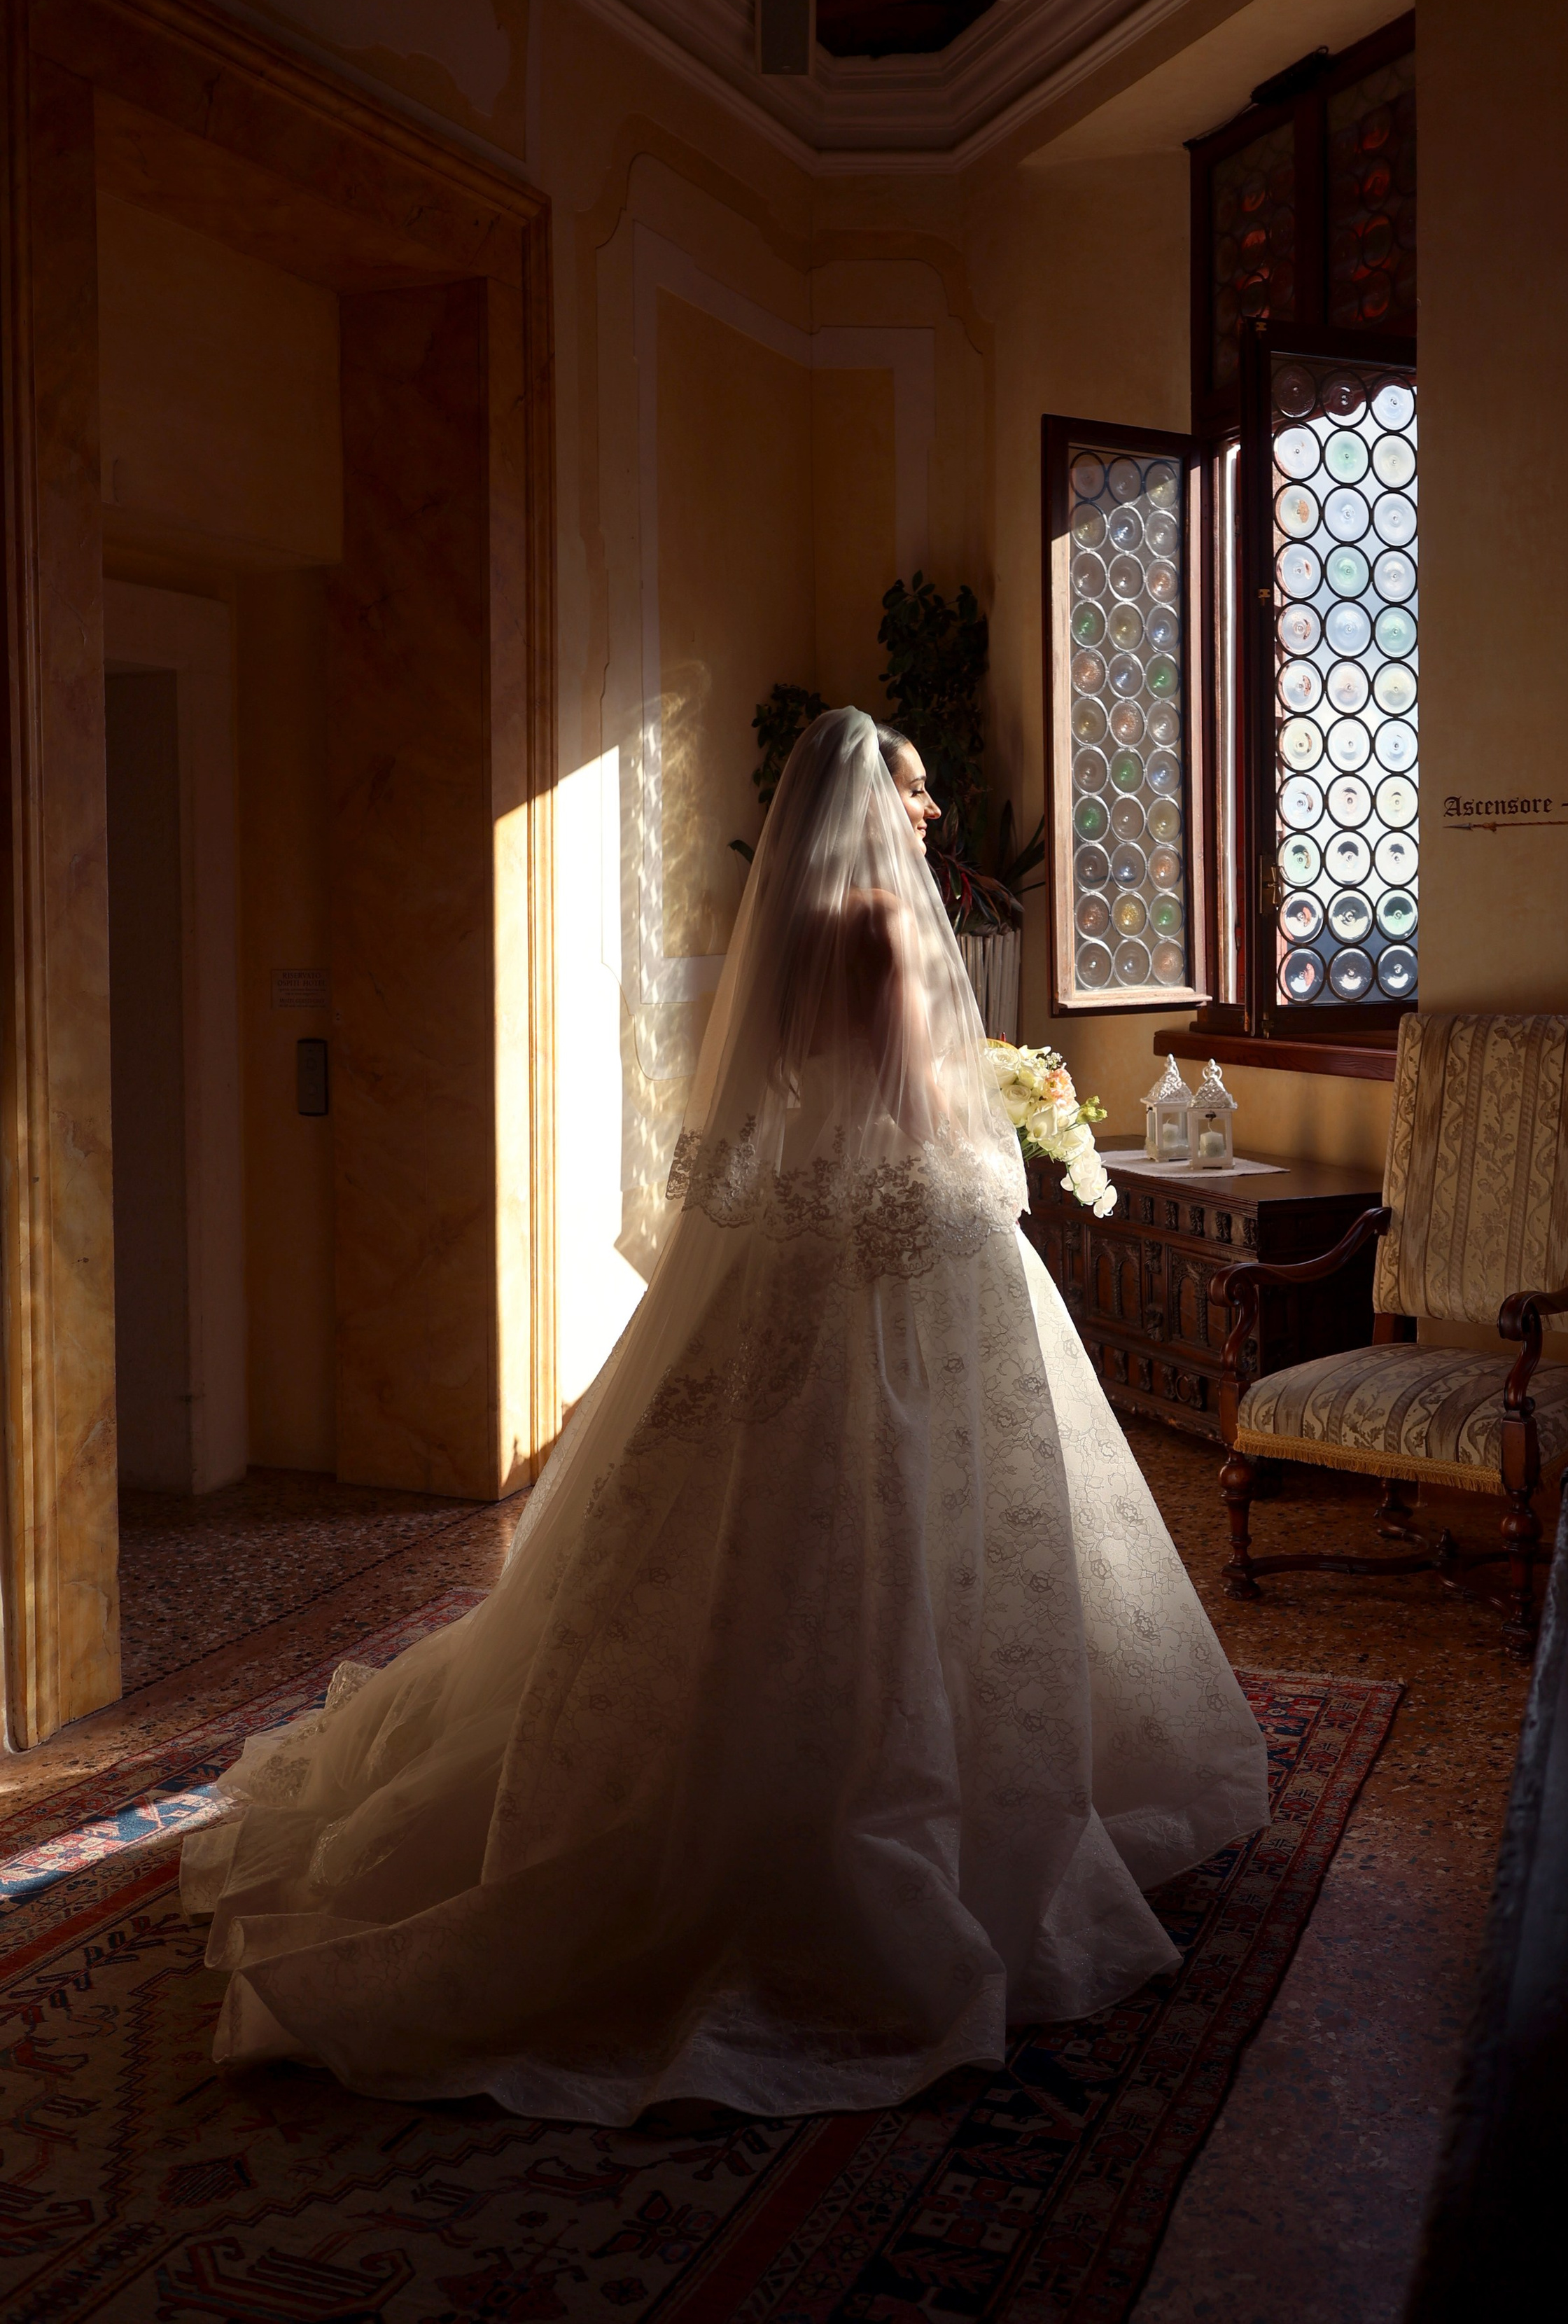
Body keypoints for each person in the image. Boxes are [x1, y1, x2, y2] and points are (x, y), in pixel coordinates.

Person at [183, 708, 1266, 2124]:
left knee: (742, 1528)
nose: (932, 816)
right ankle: (870, 1818)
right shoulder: (882, 925)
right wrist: (994, 1098)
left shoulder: (783, 932)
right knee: (907, 1520)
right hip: (895, 1256)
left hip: (780, 1258)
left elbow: (761, 1116)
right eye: (918, 794)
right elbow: (914, 1109)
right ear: (872, 802)